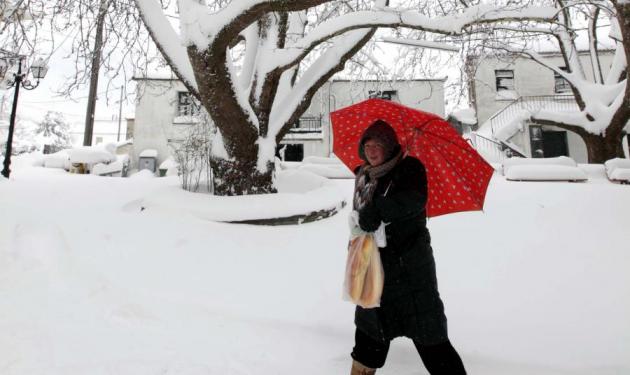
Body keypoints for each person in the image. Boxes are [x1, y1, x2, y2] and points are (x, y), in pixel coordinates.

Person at [350, 119, 466, 375]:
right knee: (369, 335)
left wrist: (379, 210)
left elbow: (413, 200)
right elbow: (360, 216)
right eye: (367, 145)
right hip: (373, 268)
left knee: (429, 335)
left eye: (377, 144)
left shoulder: (410, 169)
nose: (371, 150)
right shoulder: (363, 175)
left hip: (409, 269)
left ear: (390, 147)